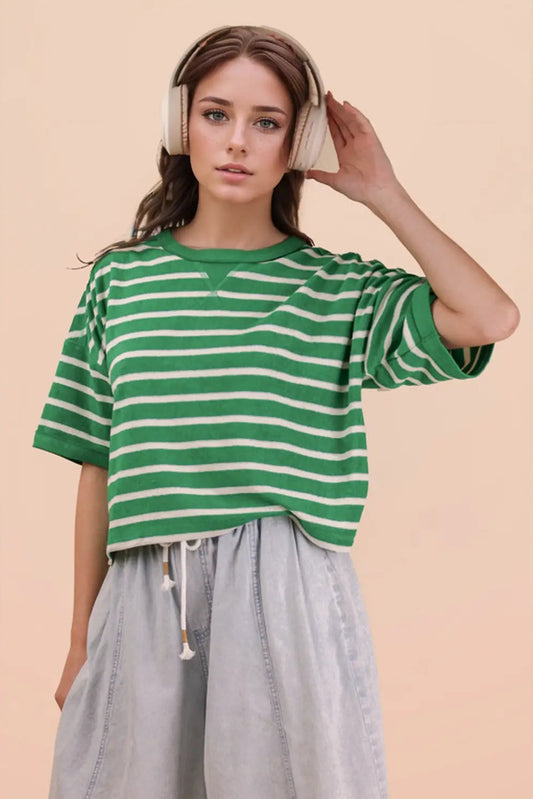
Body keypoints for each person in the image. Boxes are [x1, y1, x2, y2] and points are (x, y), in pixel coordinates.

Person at [32, 24, 518, 799]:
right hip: (141, 590)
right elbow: (98, 463)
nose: (237, 142)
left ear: (300, 142)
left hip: (284, 591)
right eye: (216, 114)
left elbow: (488, 317)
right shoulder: (119, 284)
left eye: (267, 122)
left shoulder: (336, 290)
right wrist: (78, 641)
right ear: (178, 124)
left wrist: (381, 191)